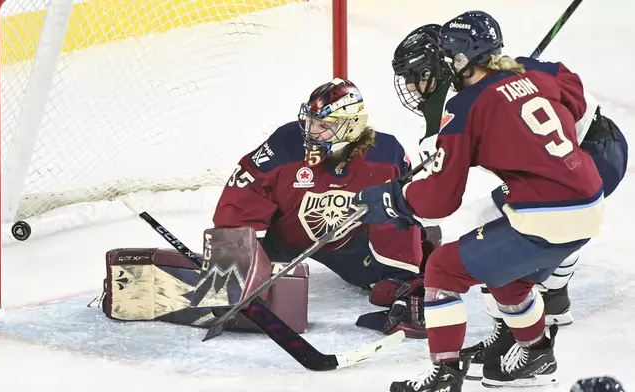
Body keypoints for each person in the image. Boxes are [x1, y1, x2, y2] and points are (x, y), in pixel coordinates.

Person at [354, 11, 605, 391]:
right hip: (589, 201)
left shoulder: (465, 109)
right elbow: (570, 85)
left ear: (458, 59)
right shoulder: (537, 72)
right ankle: (536, 355)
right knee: (505, 276)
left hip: (545, 213)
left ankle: (444, 375)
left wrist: (396, 199)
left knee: (442, 268)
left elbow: (441, 199)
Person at [207, 77, 437, 338]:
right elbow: (241, 196)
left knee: (396, 221)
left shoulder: (386, 154)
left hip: (351, 245)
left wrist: (406, 266)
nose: (310, 131)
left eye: (323, 126)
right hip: (286, 240)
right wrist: (235, 261)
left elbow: (405, 209)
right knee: (241, 260)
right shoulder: (285, 145)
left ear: (351, 127)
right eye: (311, 121)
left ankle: (411, 274)